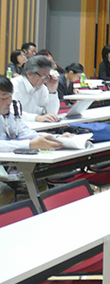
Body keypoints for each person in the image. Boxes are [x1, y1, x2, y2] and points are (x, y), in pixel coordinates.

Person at [0, 76, 62, 205]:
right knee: (4, 191)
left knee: (37, 184)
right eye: (4, 97)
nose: (9, 101)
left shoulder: (6, 115)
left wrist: (56, 138)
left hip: (5, 168)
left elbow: (26, 133)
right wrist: (30, 144)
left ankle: (26, 215)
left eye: (10, 96)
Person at [12, 55, 59, 122]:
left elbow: (52, 114)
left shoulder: (42, 88)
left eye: (47, 76)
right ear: (29, 73)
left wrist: (52, 91)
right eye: (43, 76)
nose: (46, 80)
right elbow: (12, 113)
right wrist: (36, 118)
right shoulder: (13, 86)